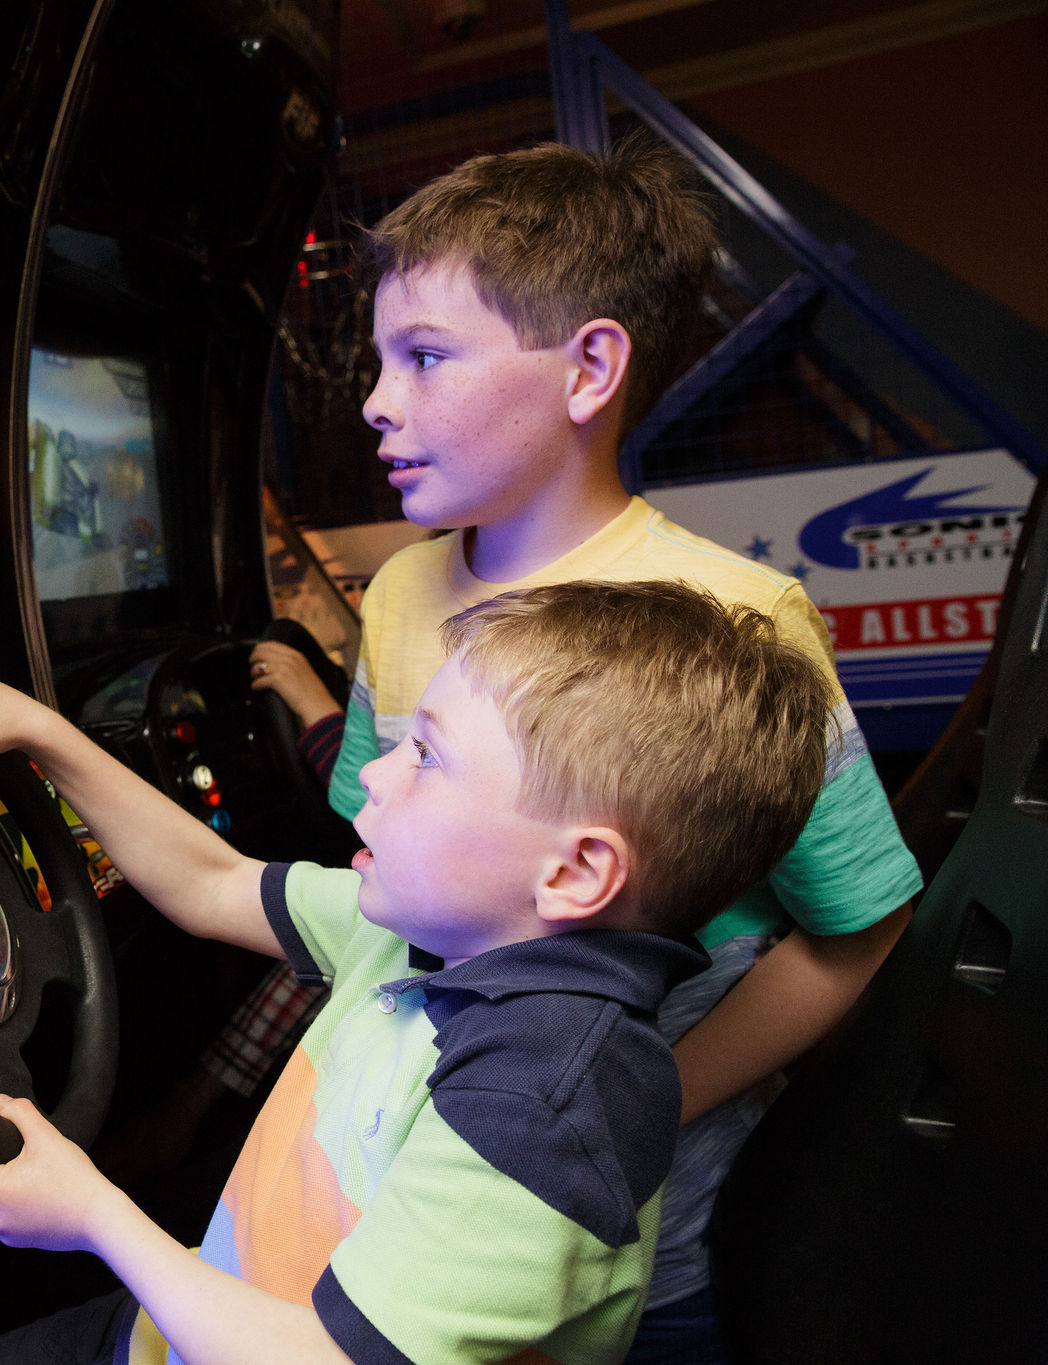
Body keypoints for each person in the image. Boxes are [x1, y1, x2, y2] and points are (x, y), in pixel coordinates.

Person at [249, 135, 923, 1358]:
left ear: (588, 367)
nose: (373, 400)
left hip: (631, 1216)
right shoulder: (400, 595)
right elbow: (375, 874)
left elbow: (858, 926)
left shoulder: (735, 622)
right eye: (378, 358)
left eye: (425, 356)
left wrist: (657, 1107)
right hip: (406, 1178)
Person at [0, 579, 836, 1365]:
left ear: (574, 872)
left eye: (427, 754)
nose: (377, 776)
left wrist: (95, 1212)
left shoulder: (547, 1100)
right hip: (187, 1323)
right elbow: (208, 878)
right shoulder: (436, 932)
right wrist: (41, 734)